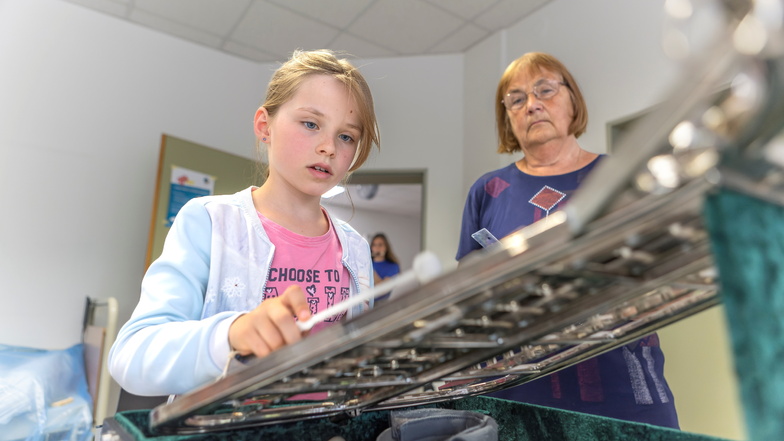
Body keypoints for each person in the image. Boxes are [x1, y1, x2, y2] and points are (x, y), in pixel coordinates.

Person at [109, 49, 381, 397]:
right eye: (311, 124)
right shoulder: (208, 221)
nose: (328, 147)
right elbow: (132, 357)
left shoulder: (355, 248)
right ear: (264, 127)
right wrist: (231, 334)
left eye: (346, 136)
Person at [456, 52, 679, 428]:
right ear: (507, 117)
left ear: (573, 100)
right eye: (517, 99)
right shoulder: (488, 191)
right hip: (516, 397)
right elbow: (468, 297)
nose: (532, 105)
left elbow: (659, 271)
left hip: (623, 395)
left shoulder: (620, 177)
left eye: (545, 89)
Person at [370, 233, 401, 301]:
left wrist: (369, 269)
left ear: (386, 247)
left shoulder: (393, 267)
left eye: (380, 245)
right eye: (374, 245)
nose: (377, 248)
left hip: (382, 305)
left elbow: (383, 289)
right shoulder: (365, 264)